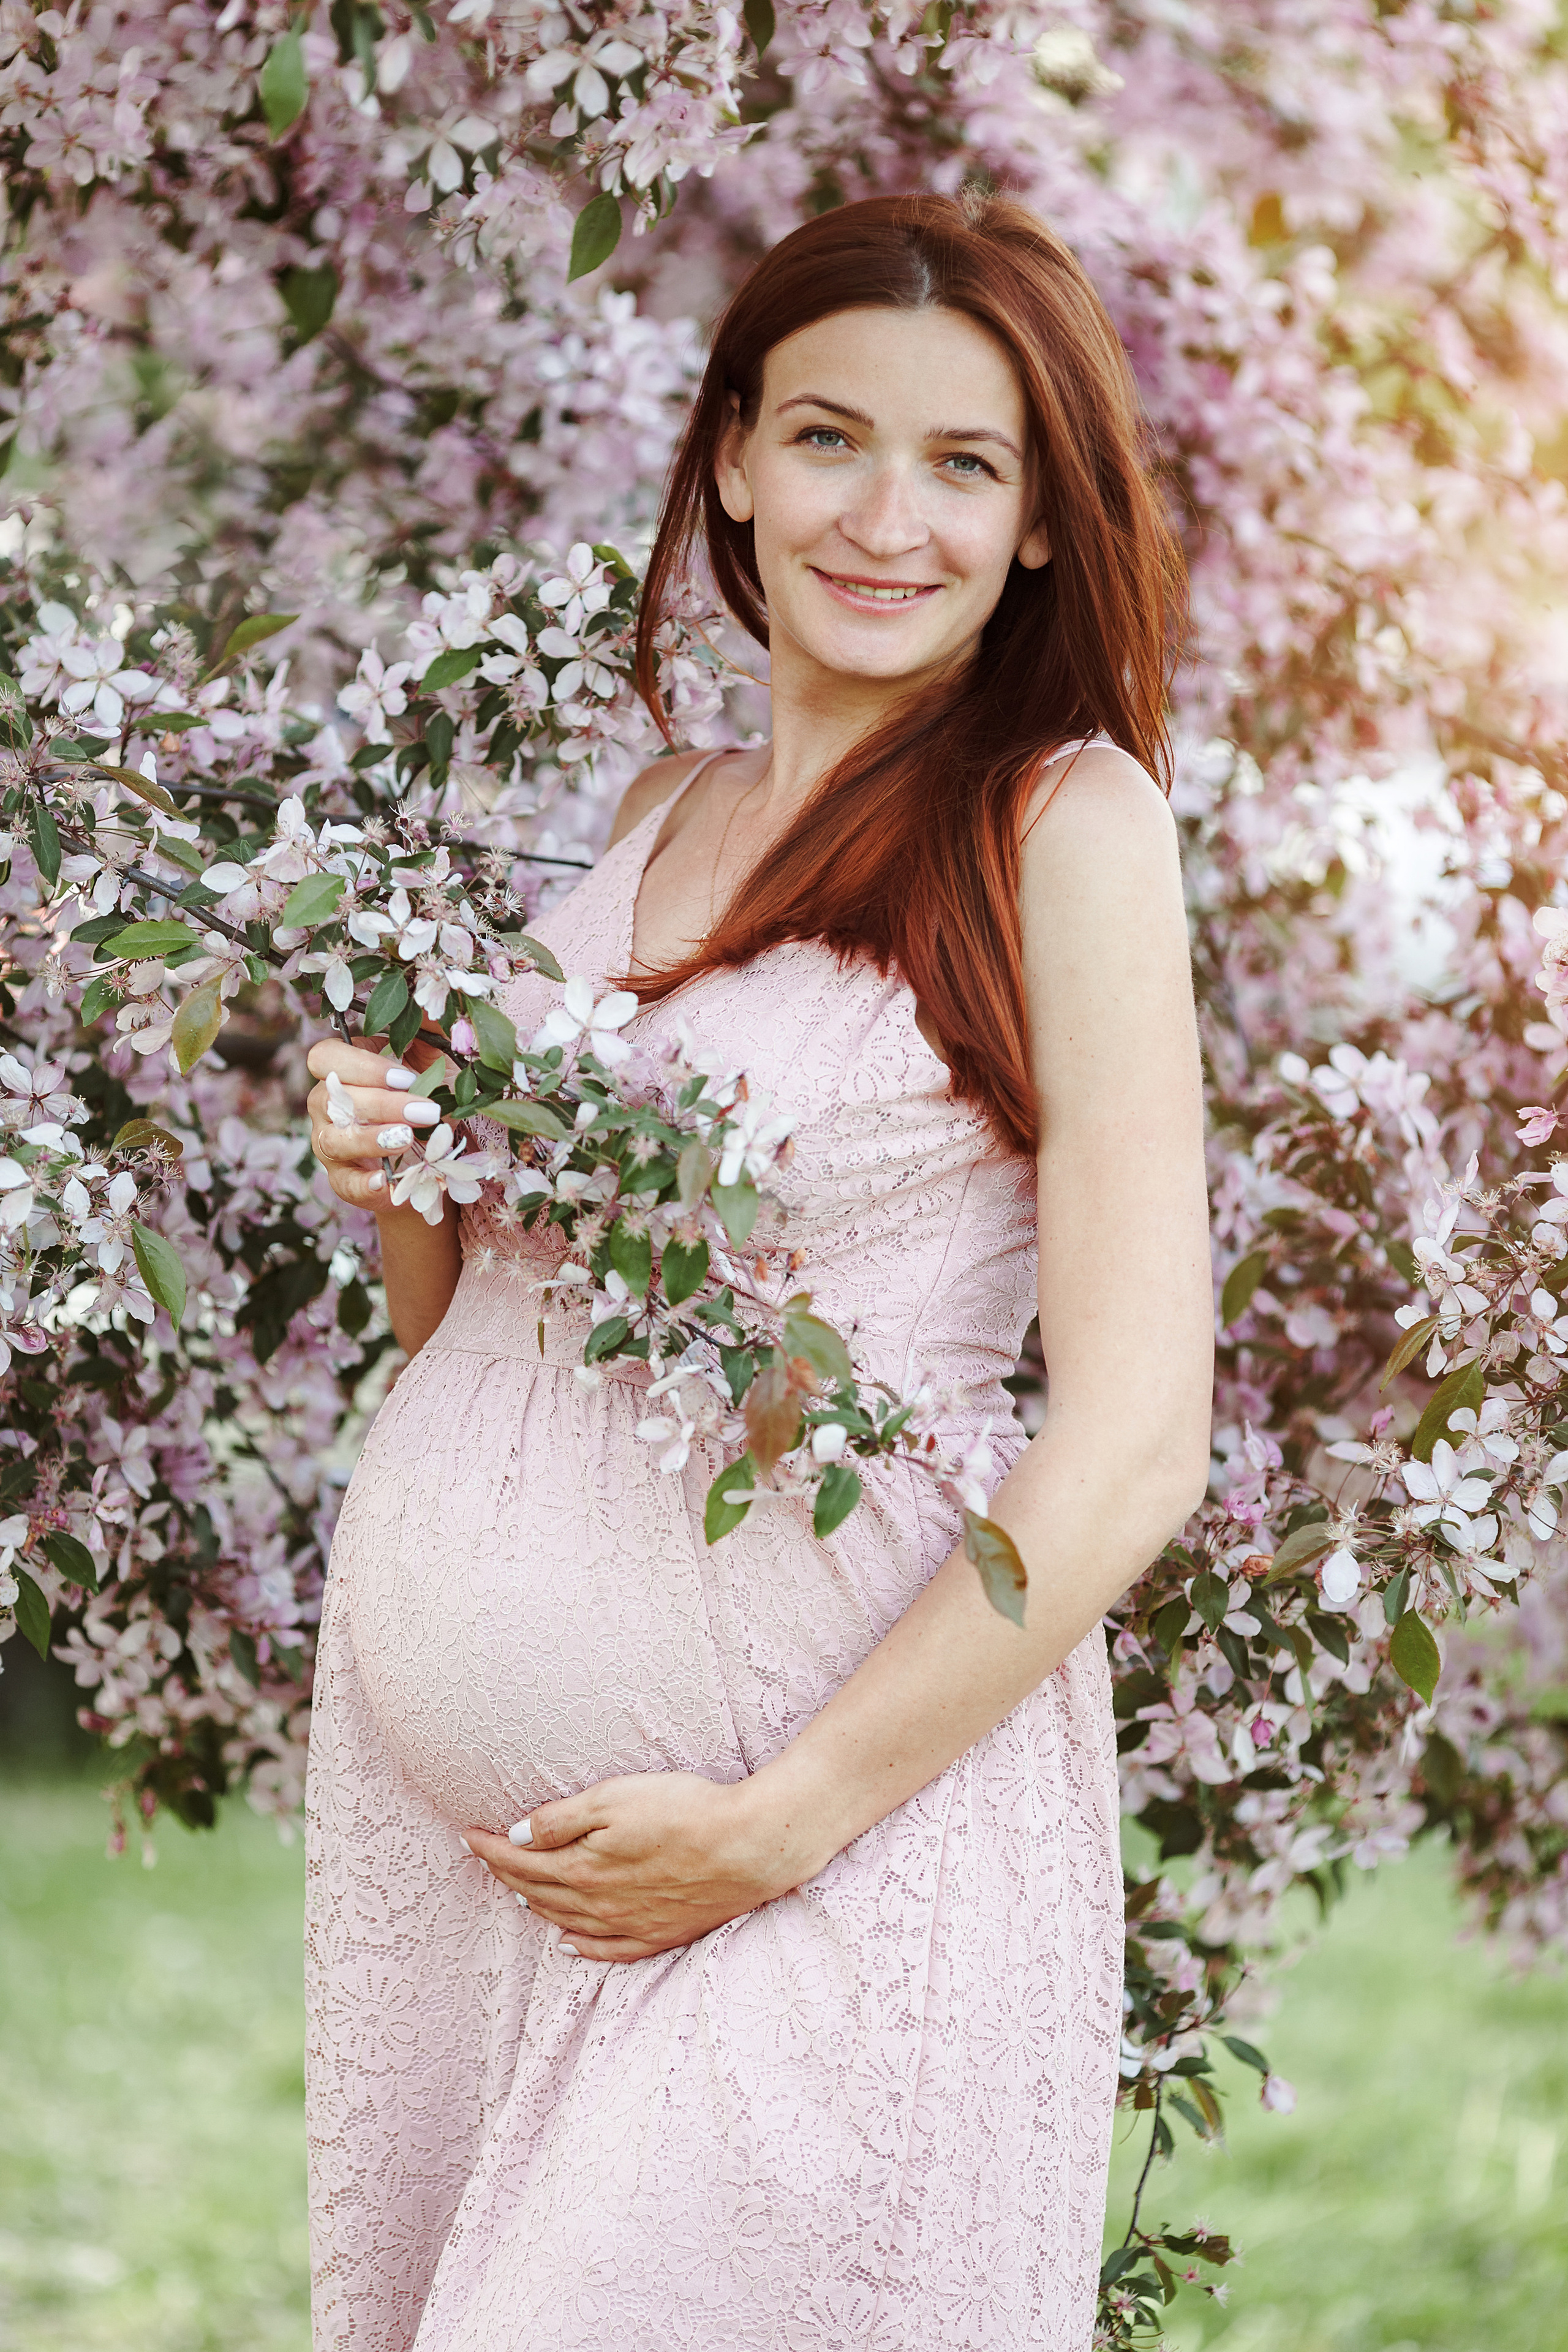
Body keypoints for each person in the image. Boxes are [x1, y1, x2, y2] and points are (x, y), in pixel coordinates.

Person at [303, 189, 1212, 2352]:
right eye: (826, 437)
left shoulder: (1060, 827)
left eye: (964, 464)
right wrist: (398, 1176)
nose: (882, 515)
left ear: (1042, 526)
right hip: (496, 1885)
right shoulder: (651, 812)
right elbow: (489, 1341)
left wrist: (779, 1825)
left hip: (825, 1842)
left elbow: (1141, 1435)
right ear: (727, 454)